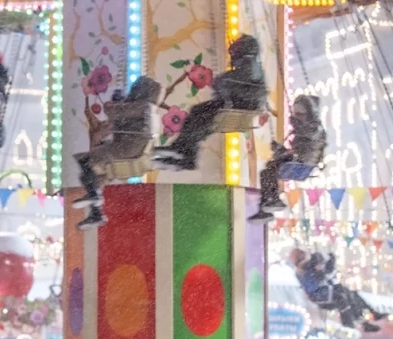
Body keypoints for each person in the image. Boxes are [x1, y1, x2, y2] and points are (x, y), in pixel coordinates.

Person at [153, 34, 267, 170]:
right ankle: (185, 153)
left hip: (236, 106)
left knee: (197, 114)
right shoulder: (255, 65)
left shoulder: (249, 63)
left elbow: (236, 80)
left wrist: (222, 81)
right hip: (241, 105)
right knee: (200, 121)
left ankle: (184, 152)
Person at [72, 77, 162, 230]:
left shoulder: (143, 106)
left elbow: (112, 111)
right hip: (131, 149)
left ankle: (94, 198)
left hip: (128, 150)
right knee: (94, 174)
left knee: (85, 161)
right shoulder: (147, 109)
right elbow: (117, 125)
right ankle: (96, 212)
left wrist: (115, 104)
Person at [248, 95, 326, 223]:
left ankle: (272, 200)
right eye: (297, 114)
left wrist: (294, 121)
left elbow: (308, 136)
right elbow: (298, 149)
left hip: (303, 163)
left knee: (270, 170)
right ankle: (266, 207)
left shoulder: (315, 128)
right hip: (299, 160)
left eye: (301, 114)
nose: (298, 117)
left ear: (309, 113)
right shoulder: (305, 129)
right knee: (267, 171)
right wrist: (280, 149)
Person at [291, 249, 385, 332]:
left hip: (324, 291)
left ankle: (368, 316)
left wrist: (327, 266)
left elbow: (326, 275)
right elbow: (312, 287)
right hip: (318, 296)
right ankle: (350, 322)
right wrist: (319, 274)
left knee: (351, 294)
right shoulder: (302, 271)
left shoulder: (309, 267)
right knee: (341, 297)